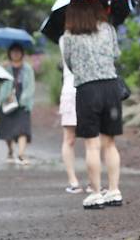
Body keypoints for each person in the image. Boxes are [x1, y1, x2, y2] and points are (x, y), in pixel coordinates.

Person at [61, 0, 123, 209]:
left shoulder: (69, 36)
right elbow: (116, 55)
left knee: (92, 145)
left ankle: (96, 193)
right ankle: (114, 191)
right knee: (110, 143)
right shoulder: (107, 29)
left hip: (88, 90)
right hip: (111, 88)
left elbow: (68, 64)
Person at [0, 43, 35, 165]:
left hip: (23, 101)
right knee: (8, 128)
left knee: (22, 128)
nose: (15, 54)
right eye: (13, 52)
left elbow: (30, 86)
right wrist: (1, 66)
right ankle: (10, 150)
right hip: (7, 100)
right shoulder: (5, 67)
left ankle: (21, 154)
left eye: (18, 51)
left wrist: (24, 99)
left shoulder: (27, 68)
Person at [59, 40, 84, 193]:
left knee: (93, 139)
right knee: (69, 138)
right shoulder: (65, 38)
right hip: (70, 90)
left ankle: (94, 182)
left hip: (88, 90)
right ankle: (73, 180)